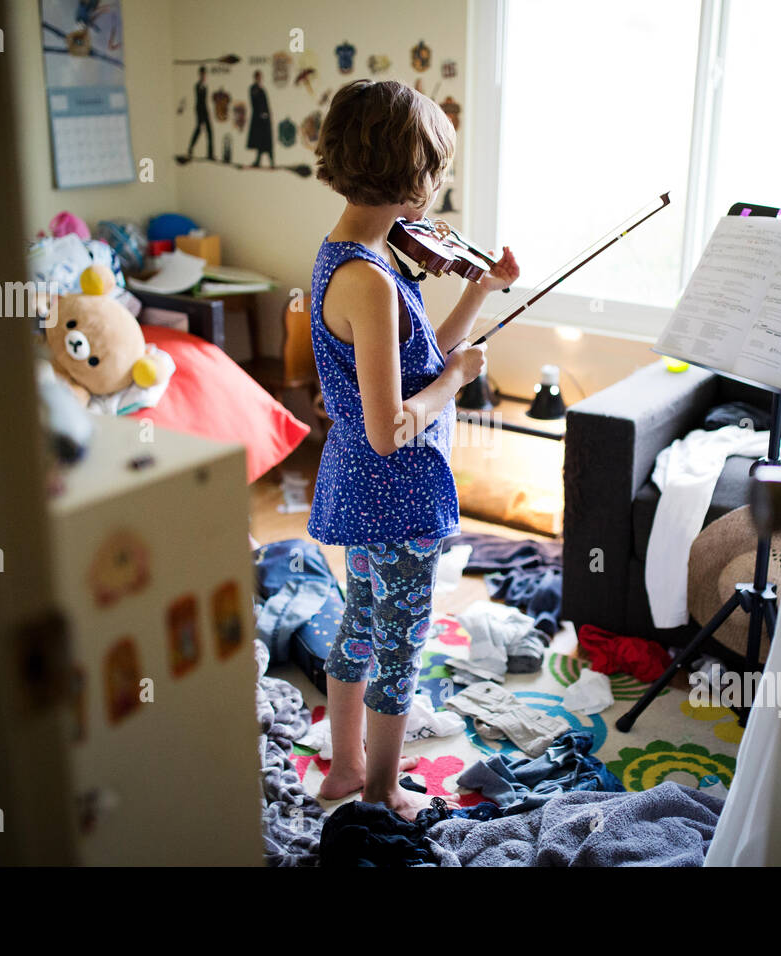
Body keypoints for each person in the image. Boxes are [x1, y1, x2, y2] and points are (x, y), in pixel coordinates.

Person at [309, 80, 519, 820]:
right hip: (392, 492)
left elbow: (424, 356)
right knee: (400, 641)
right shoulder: (369, 280)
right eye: (436, 169)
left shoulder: (353, 256)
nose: (440, 184)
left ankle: (342, 770)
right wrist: (457, 384)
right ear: (406, 174)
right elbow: (390, 425)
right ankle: (379, 788)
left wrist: (482, 292)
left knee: (361, 621)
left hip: (363, 491)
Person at [247, 70, 274, 167]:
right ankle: (258, 161)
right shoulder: (254, 89)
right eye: (257, 77)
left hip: (265, 120)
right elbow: (255, 103)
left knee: (267, 141)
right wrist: (261, 113)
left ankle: (272, 162)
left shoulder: (262, 89)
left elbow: (266, 104)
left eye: (260, 77)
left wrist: (267, 115)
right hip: (258, 120)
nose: (259, 79)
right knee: (260, 141)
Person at [187, 66, 213, 160]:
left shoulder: (205, 86)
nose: (204, 76)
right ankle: (190, 148)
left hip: (205, 110)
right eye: (202, 74)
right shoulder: (198, 86)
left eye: (205, 74)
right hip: (199, 110)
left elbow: (205, 101)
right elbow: (199, 100)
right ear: (200, 74)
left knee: (209, 131)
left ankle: (210, 154)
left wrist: (208, 111)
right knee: (198, 130)